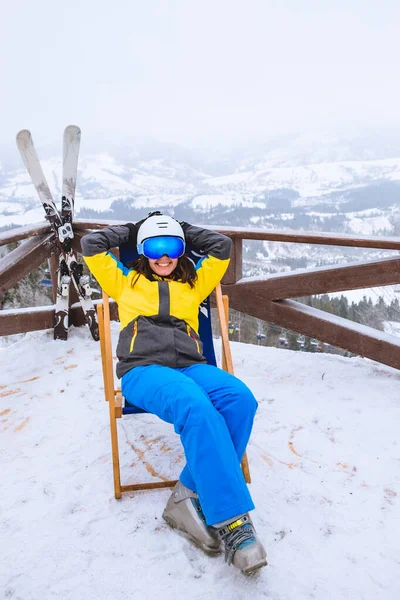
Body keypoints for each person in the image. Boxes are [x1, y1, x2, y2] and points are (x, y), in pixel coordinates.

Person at [81, 212, 267, 574]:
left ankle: (187, 493)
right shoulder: (126, 280)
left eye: (172, 248)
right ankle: (233, 523)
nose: (164, 257)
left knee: (240, 400)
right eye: (155, 247)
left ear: (182, 251)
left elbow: (221, 246)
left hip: (190, 365)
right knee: (196, 406)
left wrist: (180, 228)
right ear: (143, 251)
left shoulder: (194, 283)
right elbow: (91, 245)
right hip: (144, 370)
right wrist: (134, 230)